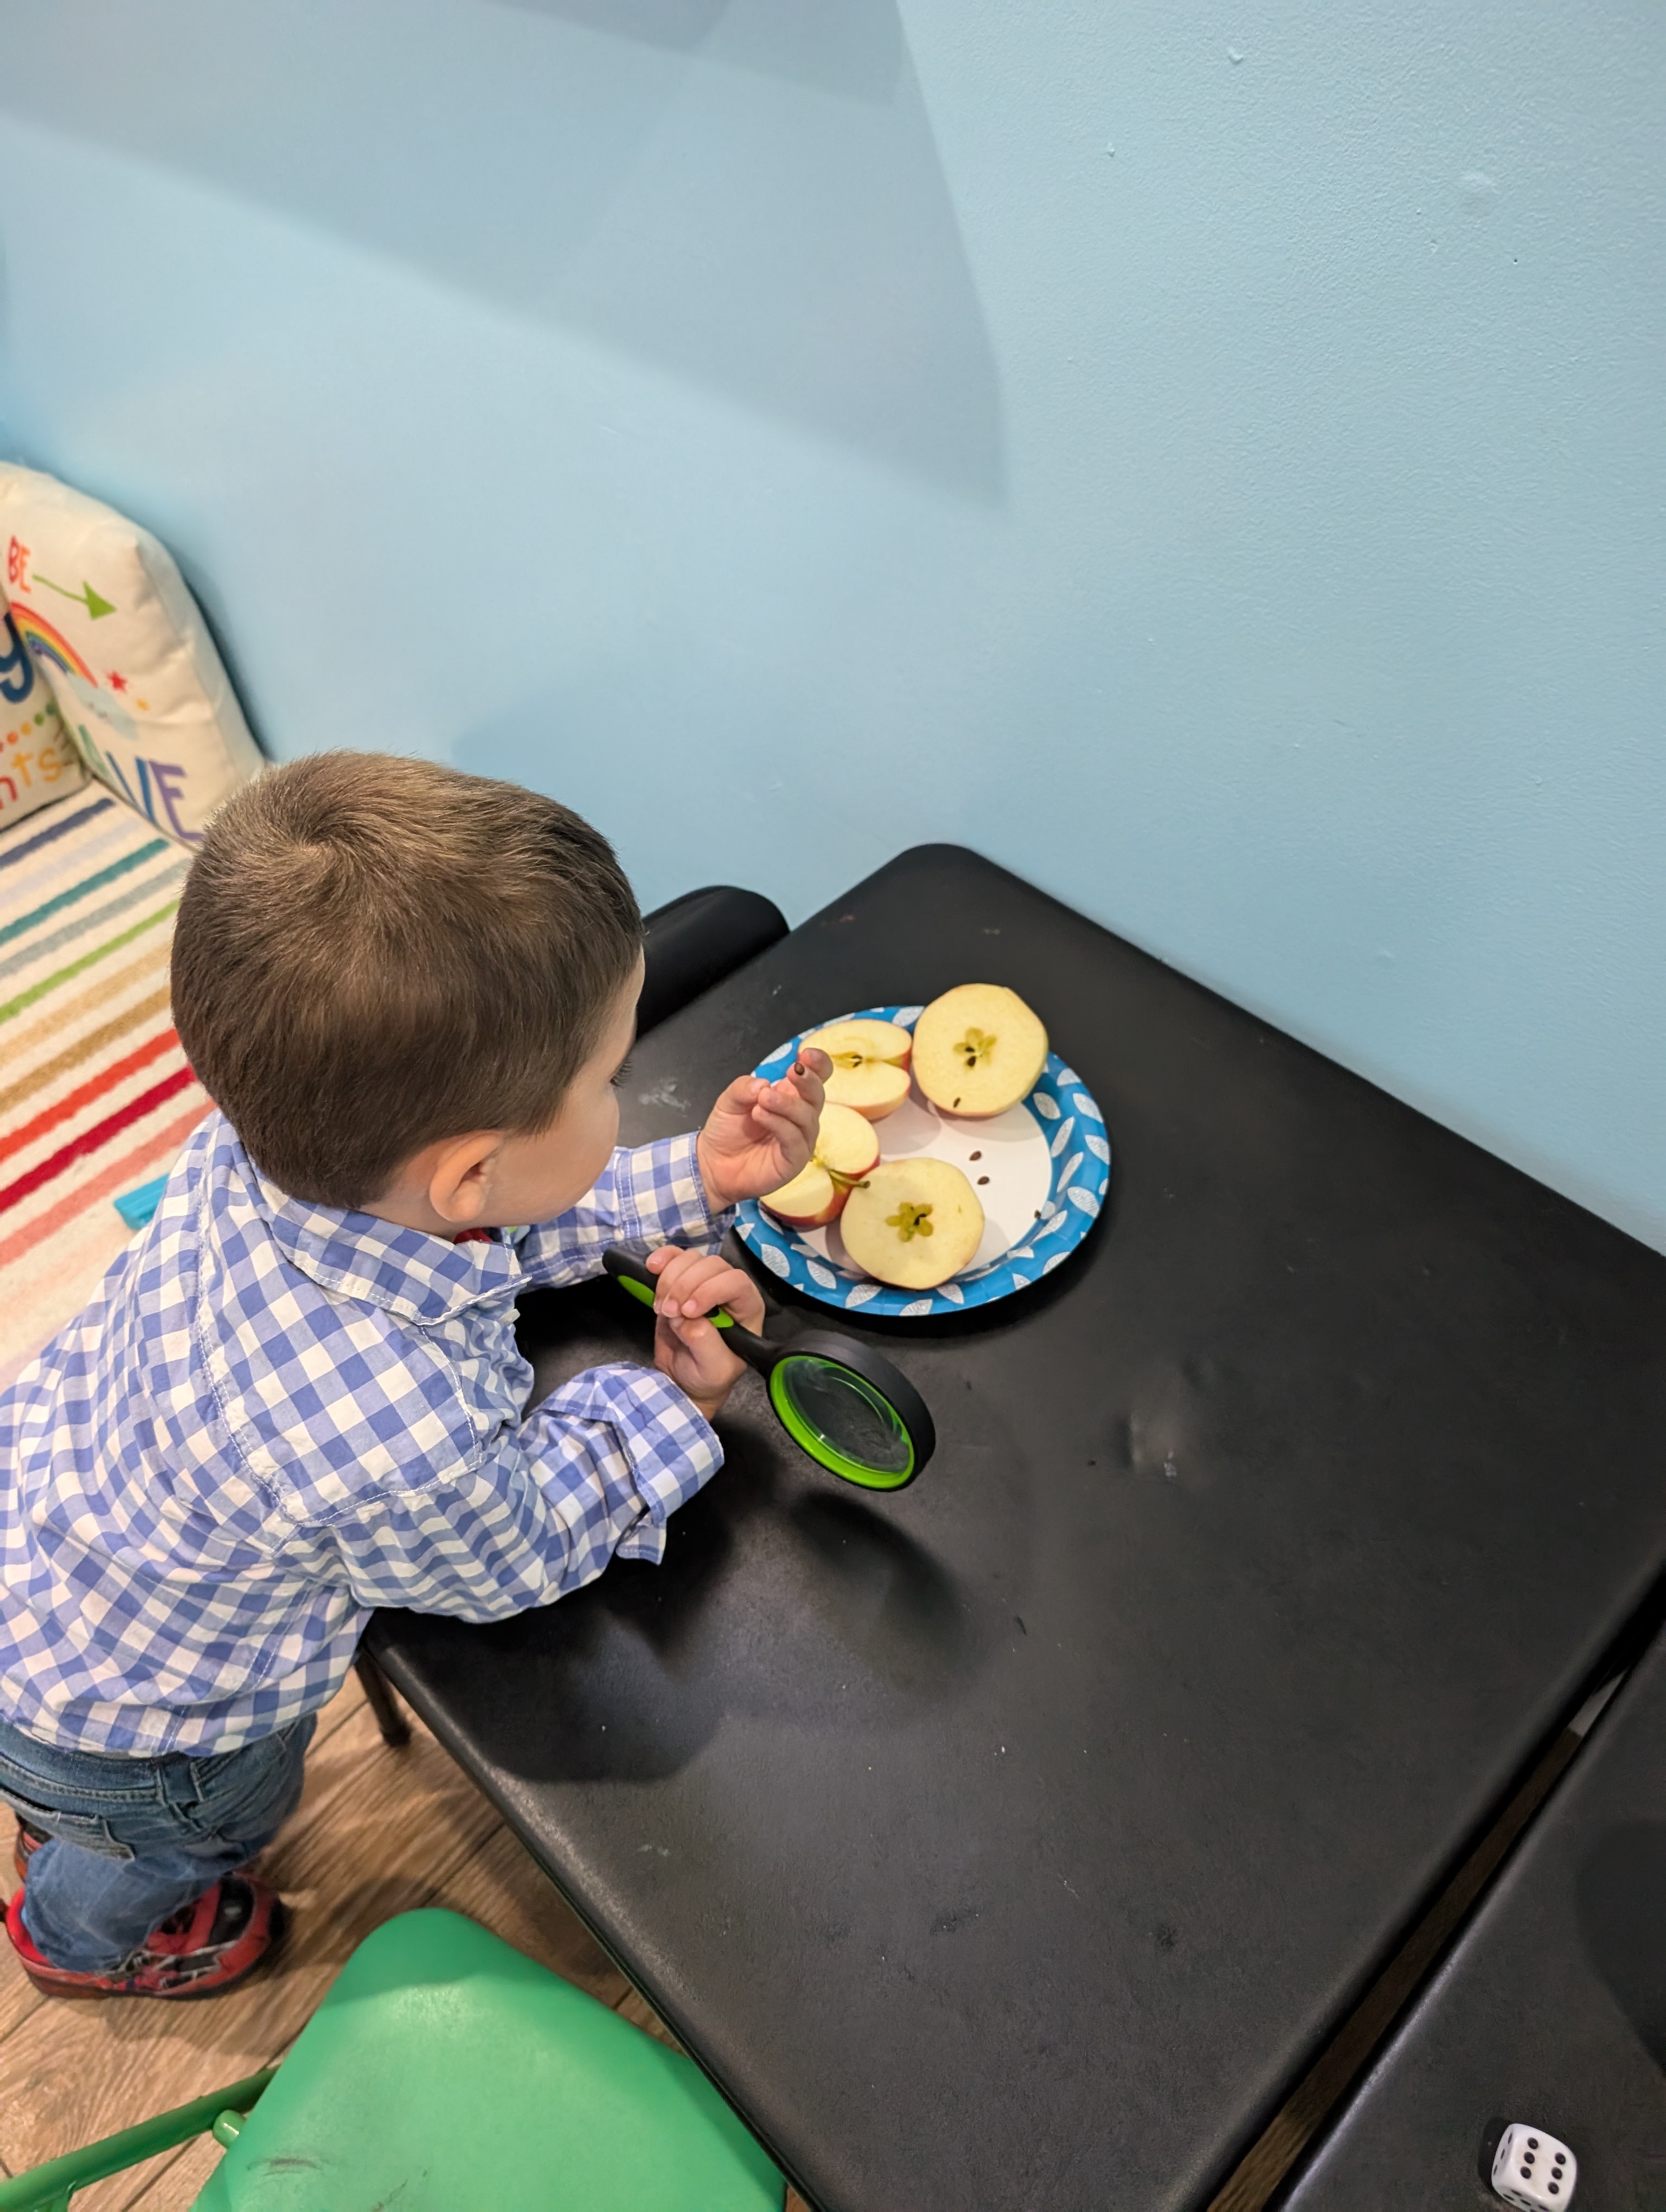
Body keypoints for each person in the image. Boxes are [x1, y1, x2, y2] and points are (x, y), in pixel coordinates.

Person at [0, 753, 826, 1998]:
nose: (625, 1088)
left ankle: (62, 1808)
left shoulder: (264, 1144)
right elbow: (517, 1556)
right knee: (211, 1826)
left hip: (44, 1557)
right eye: (608, 1078)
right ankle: (75, 1935)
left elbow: (497, 1223)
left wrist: (694, 1184)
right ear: (469, 1172)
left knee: (81, 1787)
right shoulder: (393, 1437)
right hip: (157, 1744)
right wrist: (670, 1404)